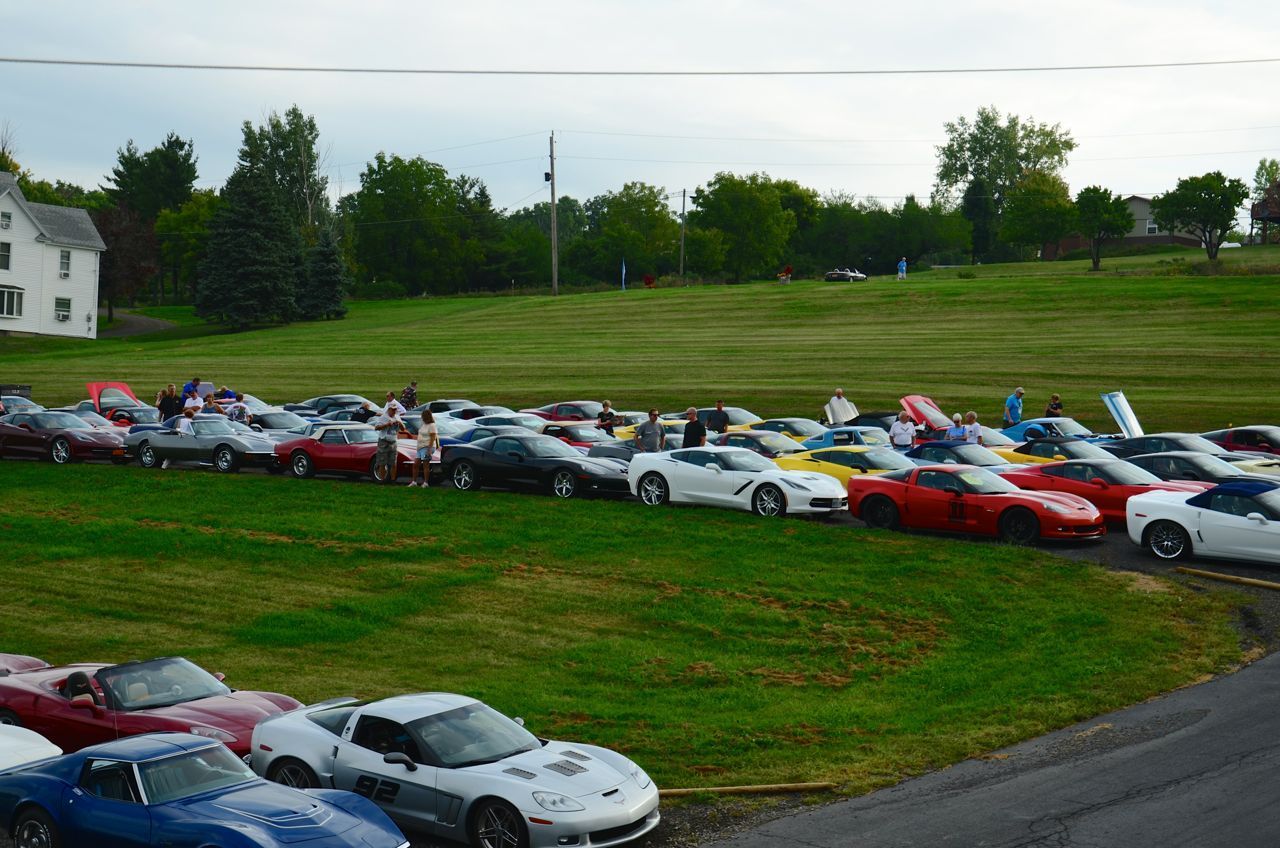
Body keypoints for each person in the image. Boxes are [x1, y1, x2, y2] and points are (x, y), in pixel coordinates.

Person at [371, 405, 402, 483]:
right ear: (389, 409)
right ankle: (382, 480)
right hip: (384, 441)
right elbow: (376, 427)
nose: (394, 411)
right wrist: (387, 425)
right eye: (393, 410)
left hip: (393, 441)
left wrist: (400, 423)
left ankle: (392, 480)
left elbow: (403, 428)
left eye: (395, 410)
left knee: (393, 462)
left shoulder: (397, 417)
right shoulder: (383, 417)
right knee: (382, 462)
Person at [409, 410, 438, 488]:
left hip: (427, 446)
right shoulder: (424, 424)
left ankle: (426, 482)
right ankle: (414, 481)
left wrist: (429, 449)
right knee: (416, 464)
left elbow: (433, 437)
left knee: (425, 464)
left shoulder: (432, 425)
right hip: (420, 447)